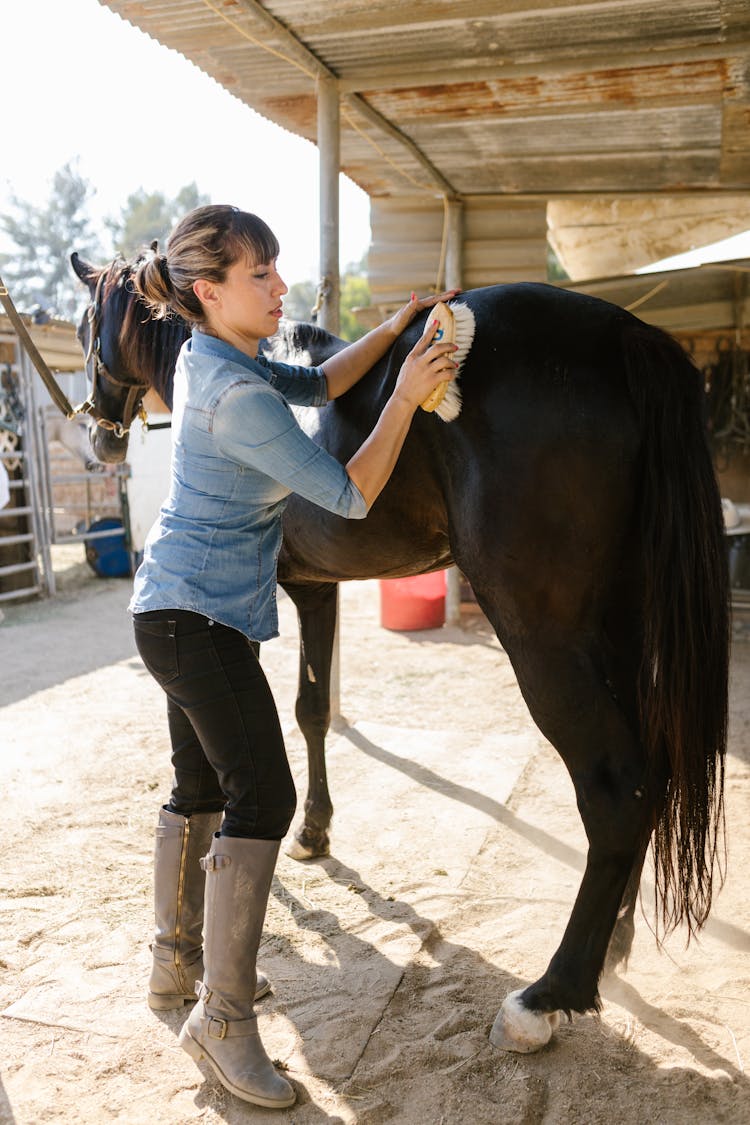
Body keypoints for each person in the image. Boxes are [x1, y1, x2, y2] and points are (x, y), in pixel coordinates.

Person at [128, 204, 459, 1109]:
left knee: (198, 786)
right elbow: (349, 496)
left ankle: (174, 965)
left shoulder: (217, 355)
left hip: (173, 607)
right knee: (265, 795)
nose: (280, 287)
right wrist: (406, 392)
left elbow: (314, 382)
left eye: (275, 270)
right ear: (209, 289)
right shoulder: (236, 398)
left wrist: (388, 332)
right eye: (260, 275)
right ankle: (224, 1021)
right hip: (195, 619)